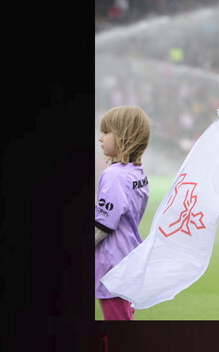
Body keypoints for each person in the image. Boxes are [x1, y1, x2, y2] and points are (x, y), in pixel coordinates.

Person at [95, 105, 151, 321]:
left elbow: (104, 225)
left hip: (112, 264)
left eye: (106, 132)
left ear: (123, 136)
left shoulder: (114, 175)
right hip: (129, 257)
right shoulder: (138, 172)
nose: (101, 138)